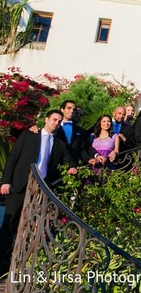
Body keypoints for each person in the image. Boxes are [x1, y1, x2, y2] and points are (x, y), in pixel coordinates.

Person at [0, 110, 75, 274]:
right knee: (9, 223)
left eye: (59, 121)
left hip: (41, 190)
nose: (56, 123)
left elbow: (69, 160)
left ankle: (20, 265)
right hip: (20, 185)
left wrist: (72, 167)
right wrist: (5, 181)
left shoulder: (60, 144)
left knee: (30, 226)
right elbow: (13, 158)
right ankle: (1, 265)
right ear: (46, 120)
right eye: (54, 119)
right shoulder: (29, 135)